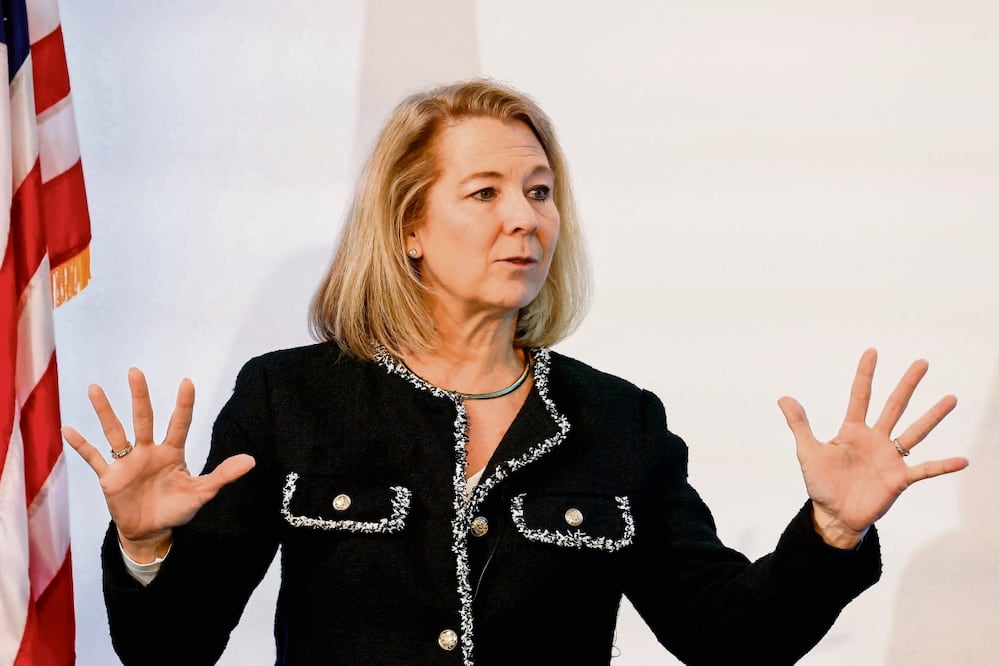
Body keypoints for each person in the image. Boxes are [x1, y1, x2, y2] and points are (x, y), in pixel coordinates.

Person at [64, 79, 968, 665]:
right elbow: (167, 652)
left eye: (539, 193)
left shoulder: (620, 423)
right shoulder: (290, 398)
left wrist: (831, 531)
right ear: (409, 227)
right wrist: (145, 549)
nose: (524, 220)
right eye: (485, 192)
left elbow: (726, 638)